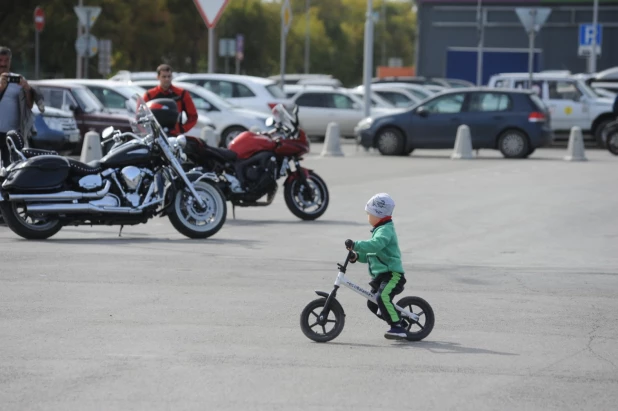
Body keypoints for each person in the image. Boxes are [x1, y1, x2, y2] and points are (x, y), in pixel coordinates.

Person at [345, 193, 408, 340]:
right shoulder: (379, 230)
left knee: (382, 297)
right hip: (381, 276)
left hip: (393, 274)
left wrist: (356, 245)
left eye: (369, 214)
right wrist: (356, 256)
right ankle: (400, 322)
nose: (368, 217)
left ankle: (397, 327)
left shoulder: (385, 230)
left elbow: (376, 245)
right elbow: (372, 255)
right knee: (372, 303)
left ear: (378, 214)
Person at [0, 46, 40, 168]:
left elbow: (29, 105)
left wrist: (27, 89)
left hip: (11, 133)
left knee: (10, 167)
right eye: (0, 60)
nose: (3, 64)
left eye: (7, 60)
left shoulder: (17, 79)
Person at [142, 64, 197, 136]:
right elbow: (141, 116)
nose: (167, 79)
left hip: (175, 135)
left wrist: (182, 129)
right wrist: (148, 132)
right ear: (158, 77)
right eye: (164, 77)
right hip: (156, 135)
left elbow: (193, 116)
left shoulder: (182, 94)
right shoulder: (149, 95)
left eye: (169, 76)